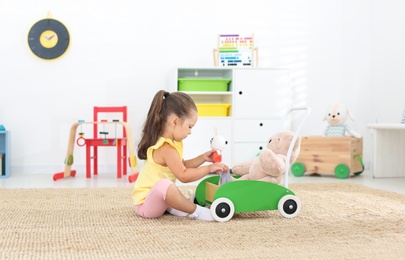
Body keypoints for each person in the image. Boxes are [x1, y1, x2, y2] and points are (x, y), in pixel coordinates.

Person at [132, 90, 229, 221]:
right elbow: (183, 175)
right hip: (145, 205)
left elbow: (182, 165)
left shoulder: (173, 144)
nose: (190, 132)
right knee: (165, 186)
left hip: (158, 200)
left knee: (169, 189)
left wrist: (203, 158)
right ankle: (197, 211)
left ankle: (181, 206)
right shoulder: (165, 148)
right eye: (189, 126)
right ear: (175, 121)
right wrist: (208, 169)